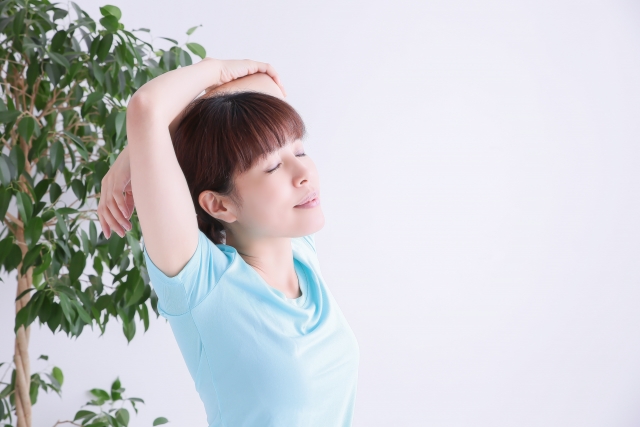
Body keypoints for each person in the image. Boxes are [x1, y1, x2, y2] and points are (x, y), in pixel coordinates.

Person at [97, 58, 360, 427]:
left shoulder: (300, 252)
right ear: (219, 205)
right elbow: (146, 106)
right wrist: (212, 72)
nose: (303, 172)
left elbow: (263, 86)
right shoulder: (202, 281)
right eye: (273, 166)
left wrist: (142, 149)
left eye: (299, 151)